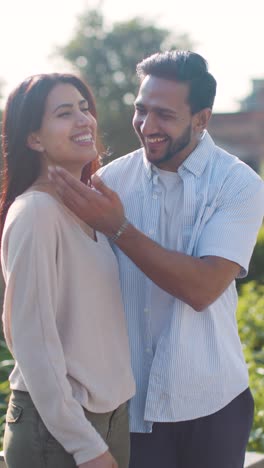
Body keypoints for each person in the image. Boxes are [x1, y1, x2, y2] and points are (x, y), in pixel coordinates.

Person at [48, 51, 264, 468]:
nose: (147, 127)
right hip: (123, 407)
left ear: (201, 119)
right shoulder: (109, 182)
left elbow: (201, 289)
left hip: (212, 405)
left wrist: (118, 228)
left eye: (164, 115)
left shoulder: (240, 185)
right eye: (141, 110)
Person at [0, 73, 135, 468]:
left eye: (83, 108)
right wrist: (86, 446)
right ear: (34, 139)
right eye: (64, 113)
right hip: (57, 430)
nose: (83, 120)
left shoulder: (90, 209)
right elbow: (32, 341)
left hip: (109, 418)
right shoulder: (36, 213)